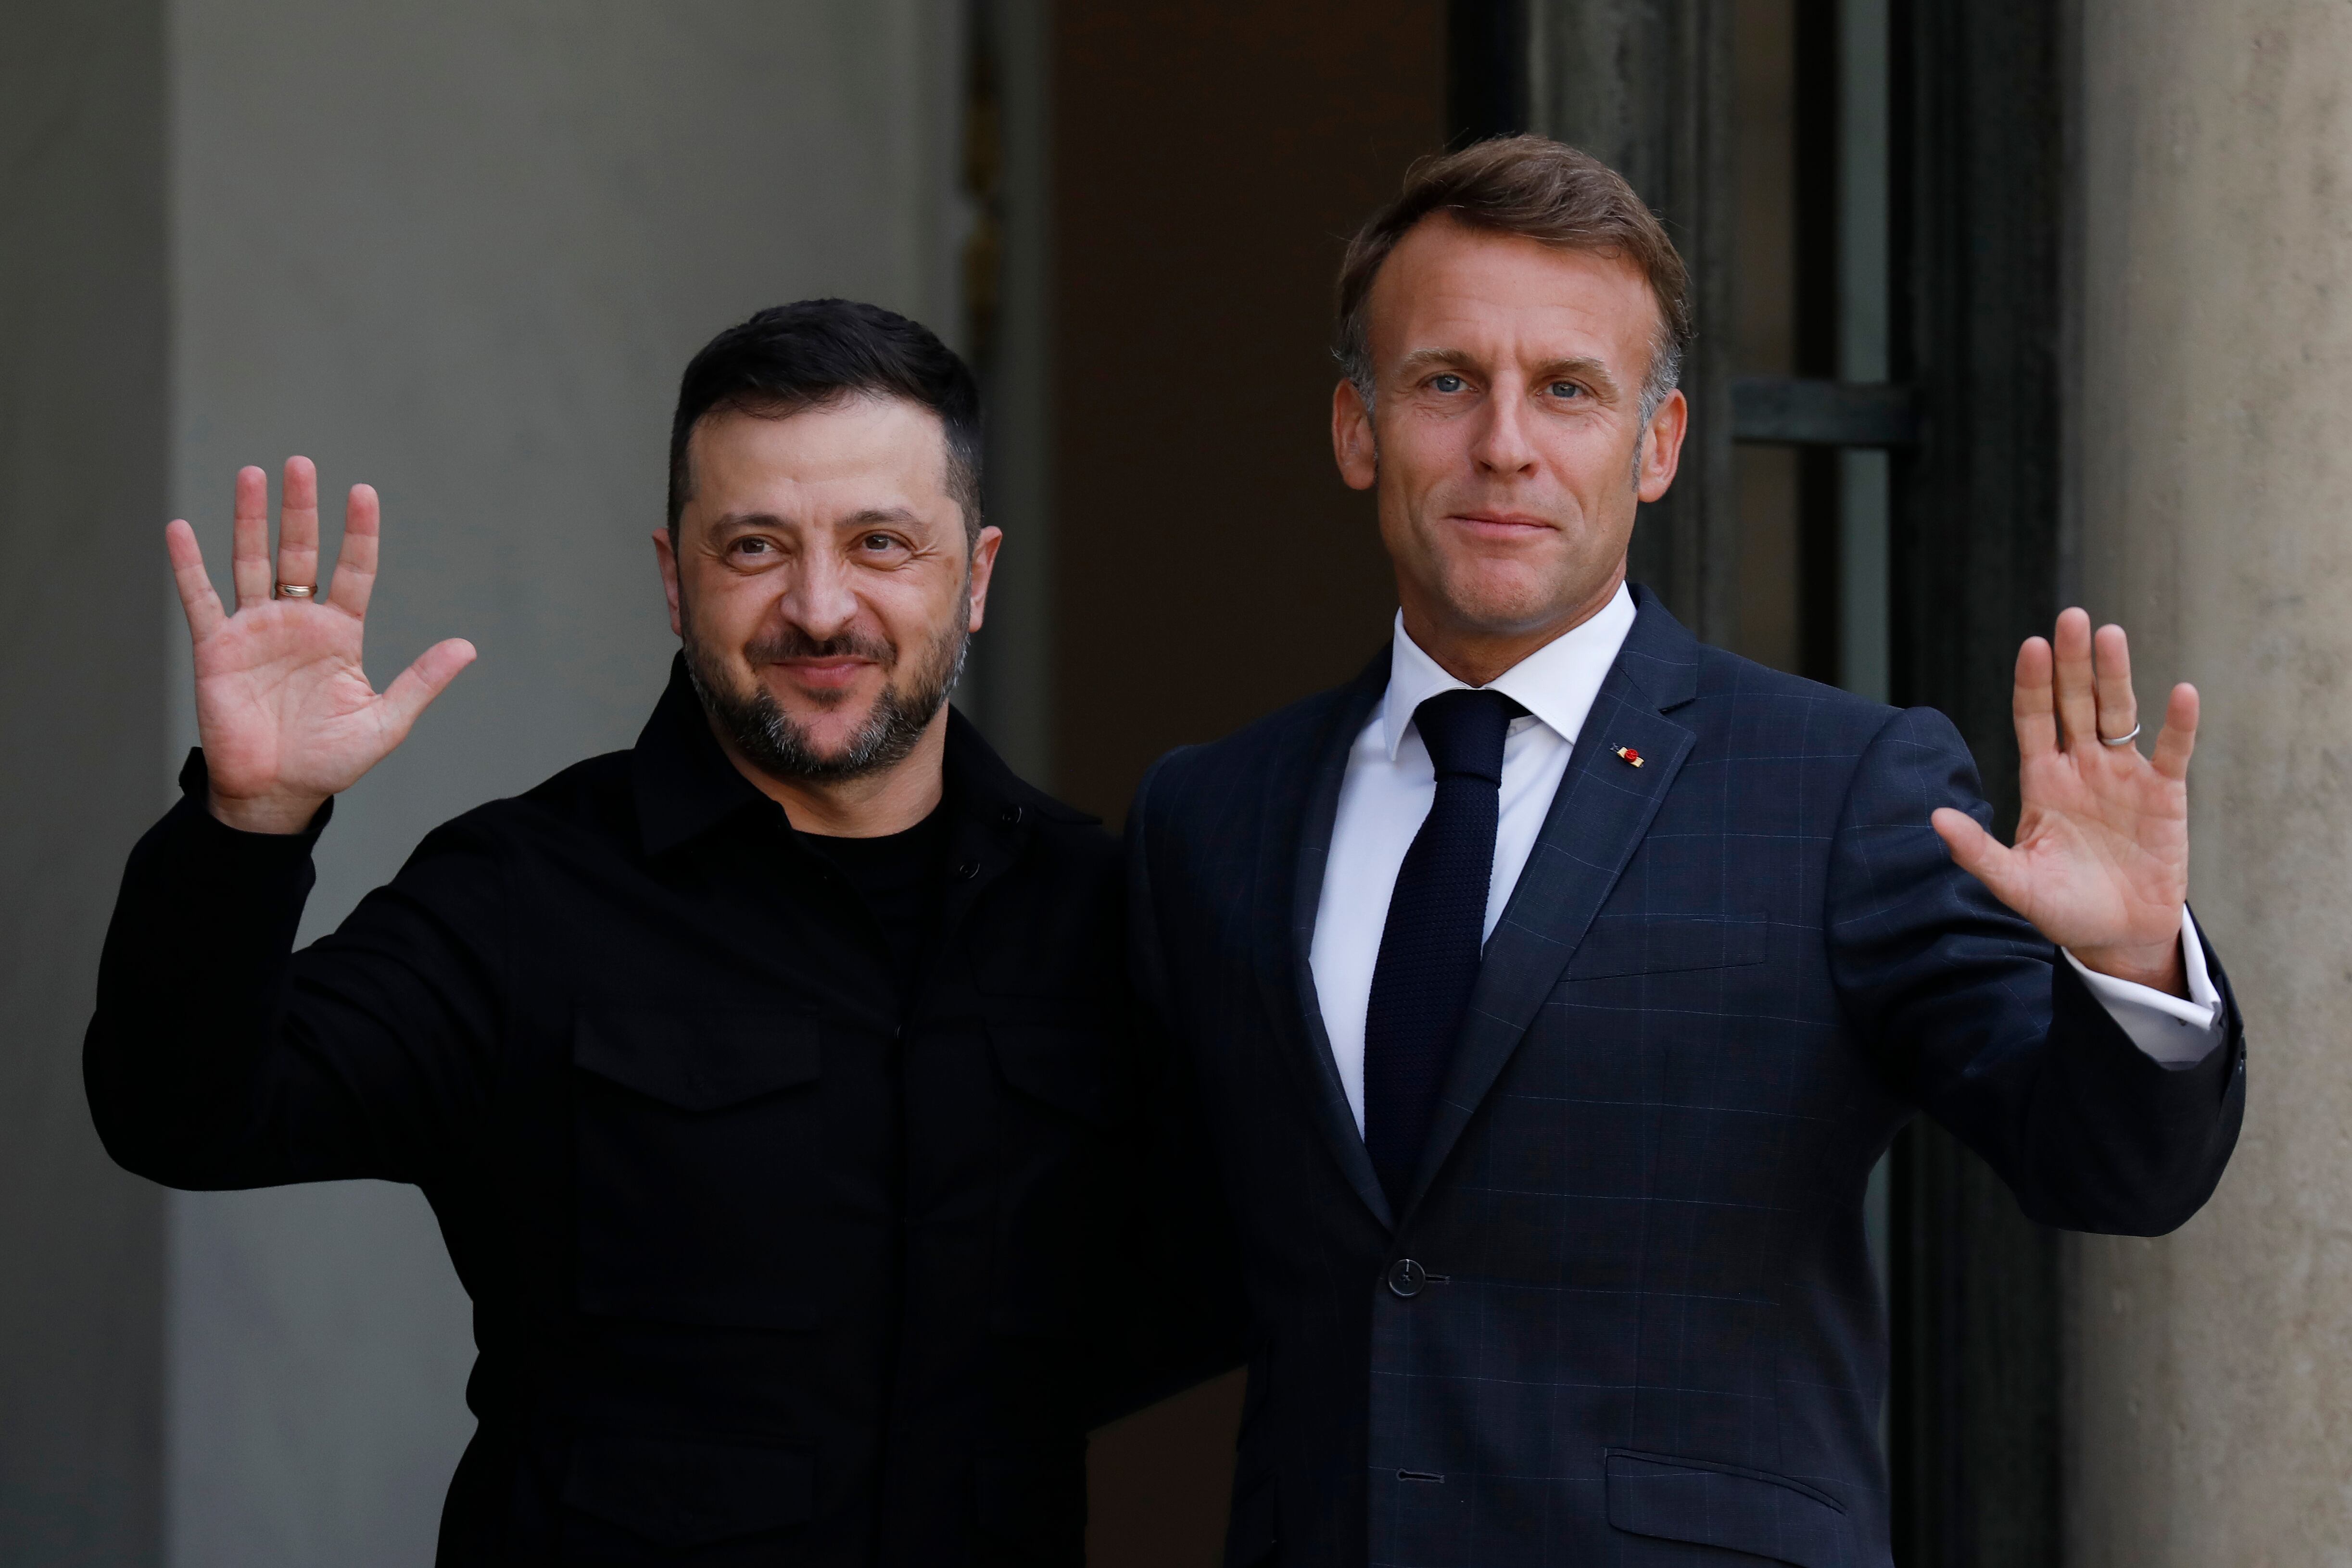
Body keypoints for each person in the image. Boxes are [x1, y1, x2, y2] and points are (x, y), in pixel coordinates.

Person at [1125, 138, 2245, 1568]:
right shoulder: (1210, 815)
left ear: (1656, 447)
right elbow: (1147, 1268)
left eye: (1570, 390)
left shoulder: (1840, 785)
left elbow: (2112, 1174)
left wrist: (2126, 961)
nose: (1505, 445)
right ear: (1356, 429)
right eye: (1446, 380)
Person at [86, 300, 1166, 1566]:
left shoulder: (1099, 905)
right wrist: (249, 823)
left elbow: (1236, 1270)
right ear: (673, 576)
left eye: (881, 543)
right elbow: (184, 1113)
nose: (820, 608)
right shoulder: (522, 895)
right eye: (755, 546)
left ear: (974, 576)